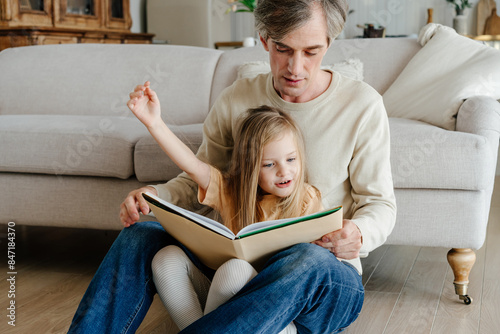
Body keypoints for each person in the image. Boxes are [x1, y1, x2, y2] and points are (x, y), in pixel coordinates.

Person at [68, 0, 397, 333]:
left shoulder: (362, 105)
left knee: (306, 259)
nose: (295, 68)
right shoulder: (237, 98)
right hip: (232, 272)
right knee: (140, 235)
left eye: (311, 52)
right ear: (265, 40)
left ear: (329, 43)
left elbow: (380, 205)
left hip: (319, 279)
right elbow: (199, 179)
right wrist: (154, 195)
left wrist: (359, 233)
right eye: (283, 49)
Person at [128, 90, 321, 331]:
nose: (284, 171)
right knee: (166, 259)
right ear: (251, 169)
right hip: (225, 296)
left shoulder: (306, 199)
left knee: (235, 269)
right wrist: (155, 123)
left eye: (291, 160)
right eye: (269, 164)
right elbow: (192, 165)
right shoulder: (231, 191)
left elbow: (315, 265)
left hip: (275, 315)